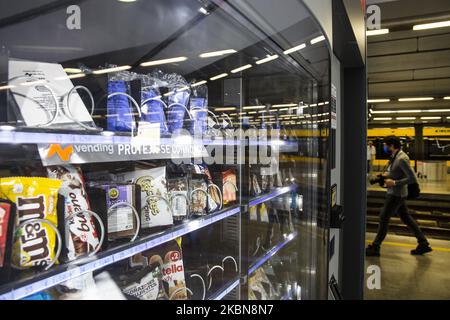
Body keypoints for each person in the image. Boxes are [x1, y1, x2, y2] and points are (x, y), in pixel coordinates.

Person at [366, 136, 432, 256]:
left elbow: (412, 178)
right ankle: (423, 243)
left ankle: (375, 247)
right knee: (406, 217)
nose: (385, 147)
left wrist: (394, 183)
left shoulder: (402, 158)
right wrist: (385, 175)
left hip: (397, 194)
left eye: (386, 145)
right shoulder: (395, 157)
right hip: (395, 193)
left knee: (383, 218)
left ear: (391, 146)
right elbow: (396, 172)